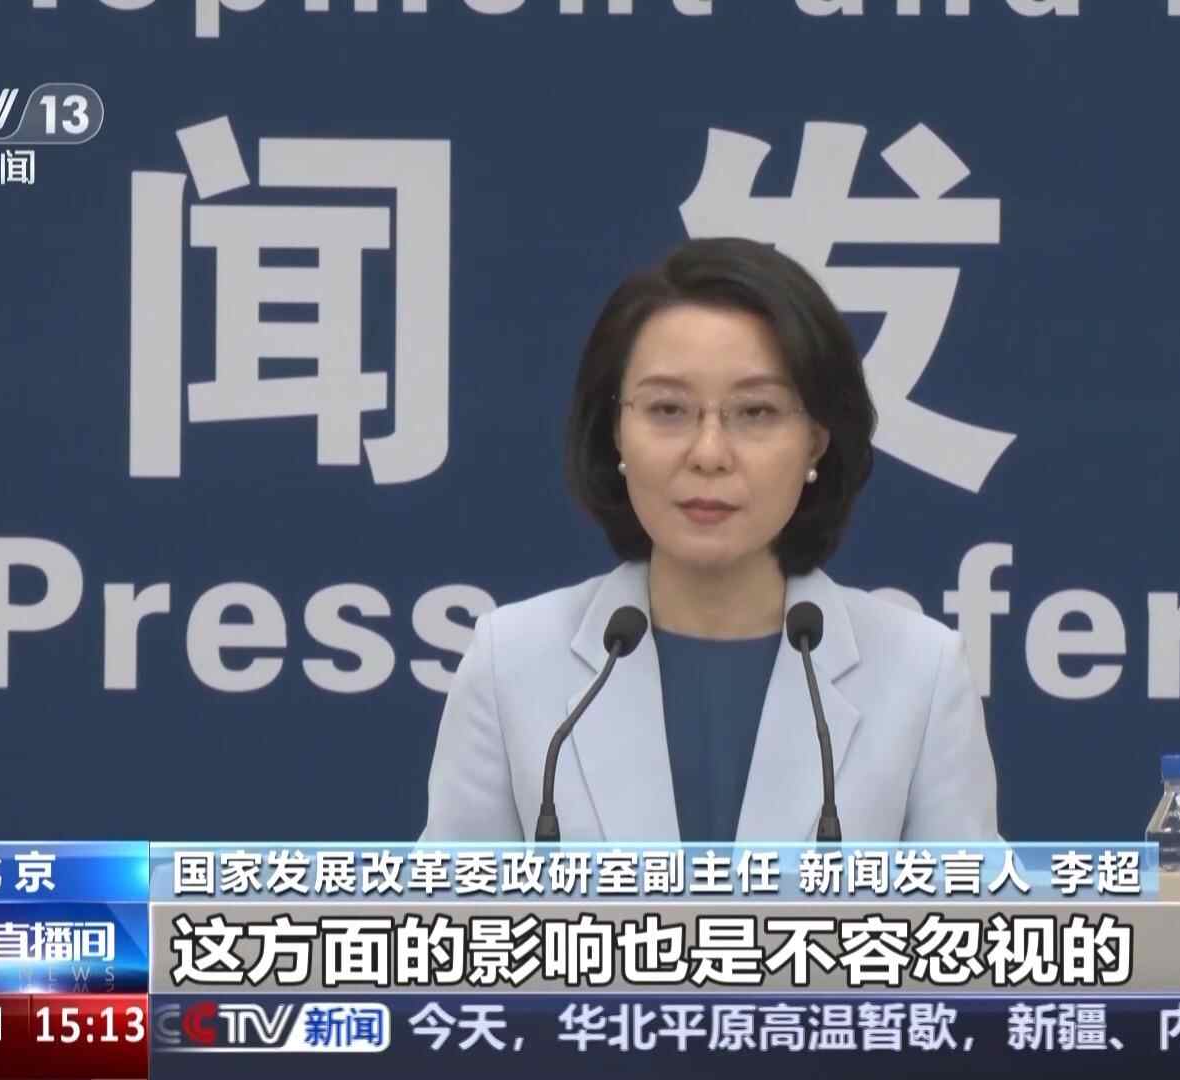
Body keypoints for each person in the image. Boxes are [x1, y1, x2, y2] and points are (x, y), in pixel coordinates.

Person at [421, 237, 999, 843]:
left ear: (817, 441)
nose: (709, 454)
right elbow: (453, 904)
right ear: (615, 431)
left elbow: (963, 905)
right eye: (668, 410)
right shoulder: (510, 662)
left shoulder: (921, 674)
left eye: (756, 412)